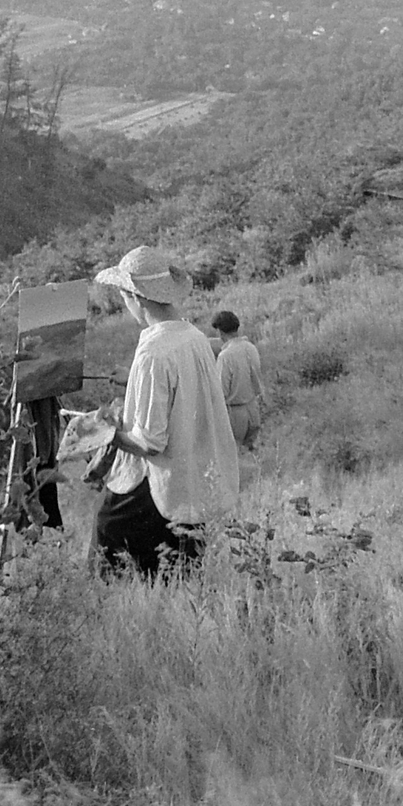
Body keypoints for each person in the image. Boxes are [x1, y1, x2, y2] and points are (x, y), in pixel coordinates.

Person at [92, 246, 240, 578]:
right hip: (196, 479)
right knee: (179, 576)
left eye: (124, 296)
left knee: (108, 536)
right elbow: (181, 391)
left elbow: (150, 443)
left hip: (162, 484)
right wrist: (133, 381)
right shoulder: (194, 336)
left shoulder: (154, 354)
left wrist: (99, 432)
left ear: (137, 298)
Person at [211, 309, 264, 451]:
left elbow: (221, 392)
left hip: (235, 413)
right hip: (253, 408)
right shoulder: (251, 348)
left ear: (219, 332)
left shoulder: (225, 356)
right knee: (250, 453)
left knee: (233, 455)